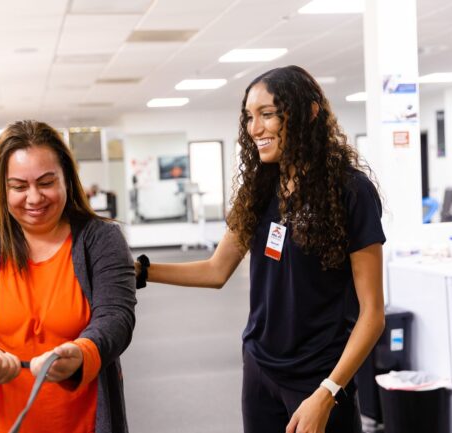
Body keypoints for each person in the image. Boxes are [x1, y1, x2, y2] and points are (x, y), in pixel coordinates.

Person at [135, 65, 386, 433]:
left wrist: (329, 391)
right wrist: (141, 271)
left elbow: (373, 314)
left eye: (267, 114)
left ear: (309, 112)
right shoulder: (259, 188)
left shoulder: (351, 191)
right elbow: (216, 270)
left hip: (319, 378)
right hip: (260, 367)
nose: (255, 129)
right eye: (249, 117)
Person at [0, 120, 137, 433]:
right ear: (1, 190)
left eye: (46, 182)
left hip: (85, 422)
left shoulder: (101, 239)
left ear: (67, 181)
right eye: (18, 187)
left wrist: (83, 351)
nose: (34, 198)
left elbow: (117, 318)